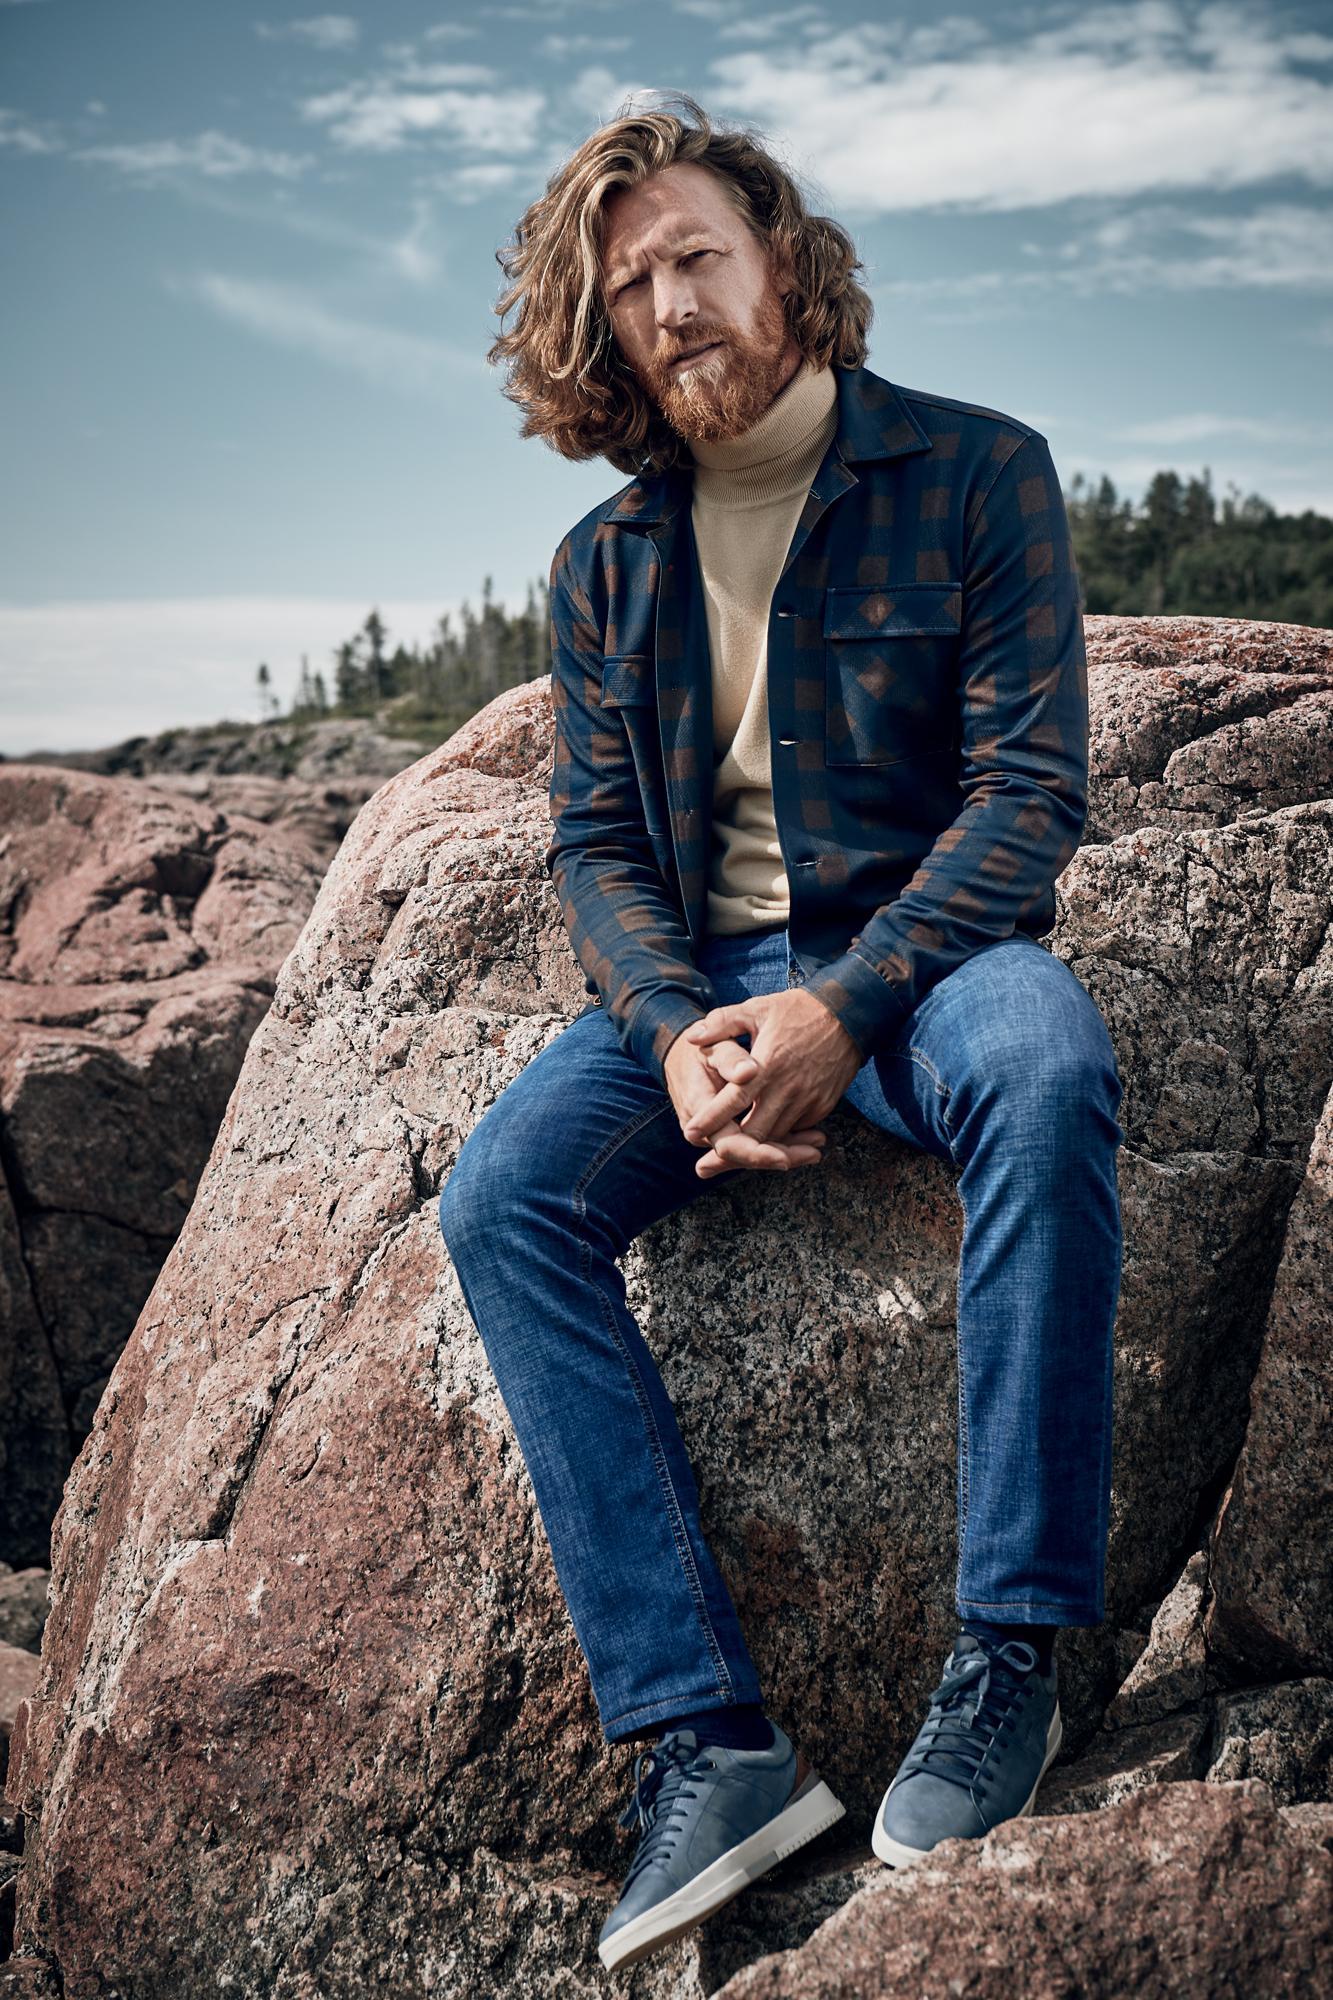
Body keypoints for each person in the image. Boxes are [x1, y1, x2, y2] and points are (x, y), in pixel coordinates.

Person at [438, 92, 1124, 1975]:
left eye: (695, 258)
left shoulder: (978, 473)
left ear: (784, 264)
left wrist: (847, 1005)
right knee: (502, 1197)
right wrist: (671, 1031)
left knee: (1052, 1070)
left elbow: (1028, 795)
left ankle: (1008, 1660)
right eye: (628, 285)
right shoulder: (604, 565)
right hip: (706, 998)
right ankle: (710, 1746)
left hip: (923, 966)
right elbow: (593, 844)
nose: (668, 307)